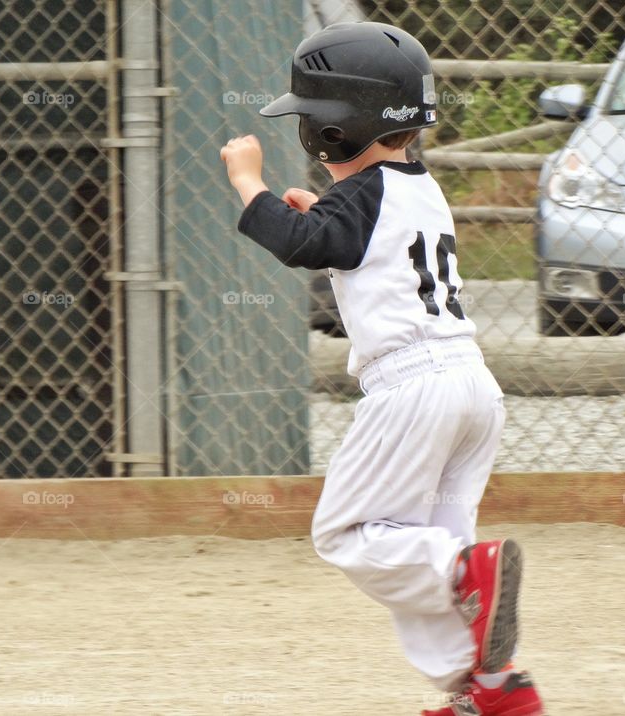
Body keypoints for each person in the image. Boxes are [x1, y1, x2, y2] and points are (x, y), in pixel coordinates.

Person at [219, 22, 544, 716]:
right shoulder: (416, 188)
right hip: (471, 387)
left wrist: (251, 186)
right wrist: (323, 217)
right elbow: (362, 245)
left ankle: (466, 575)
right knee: (428, 539)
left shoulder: (359, 199)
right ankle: (486, 690)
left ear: (333, 130)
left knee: (350, 535)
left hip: (413, 389)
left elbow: (306, 244)